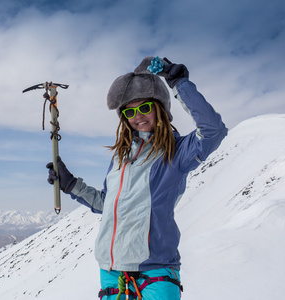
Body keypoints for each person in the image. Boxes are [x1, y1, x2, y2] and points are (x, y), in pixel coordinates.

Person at [47, 56, 227, 299]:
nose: (138, 116)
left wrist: (178, 82)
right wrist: (71, 186)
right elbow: (108, 204)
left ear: (159, 108)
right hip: (111, 271)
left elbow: (213, 130)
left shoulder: (177, 153)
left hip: (155, 270)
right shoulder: (121, 157)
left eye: (144, 107)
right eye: (130, 111)